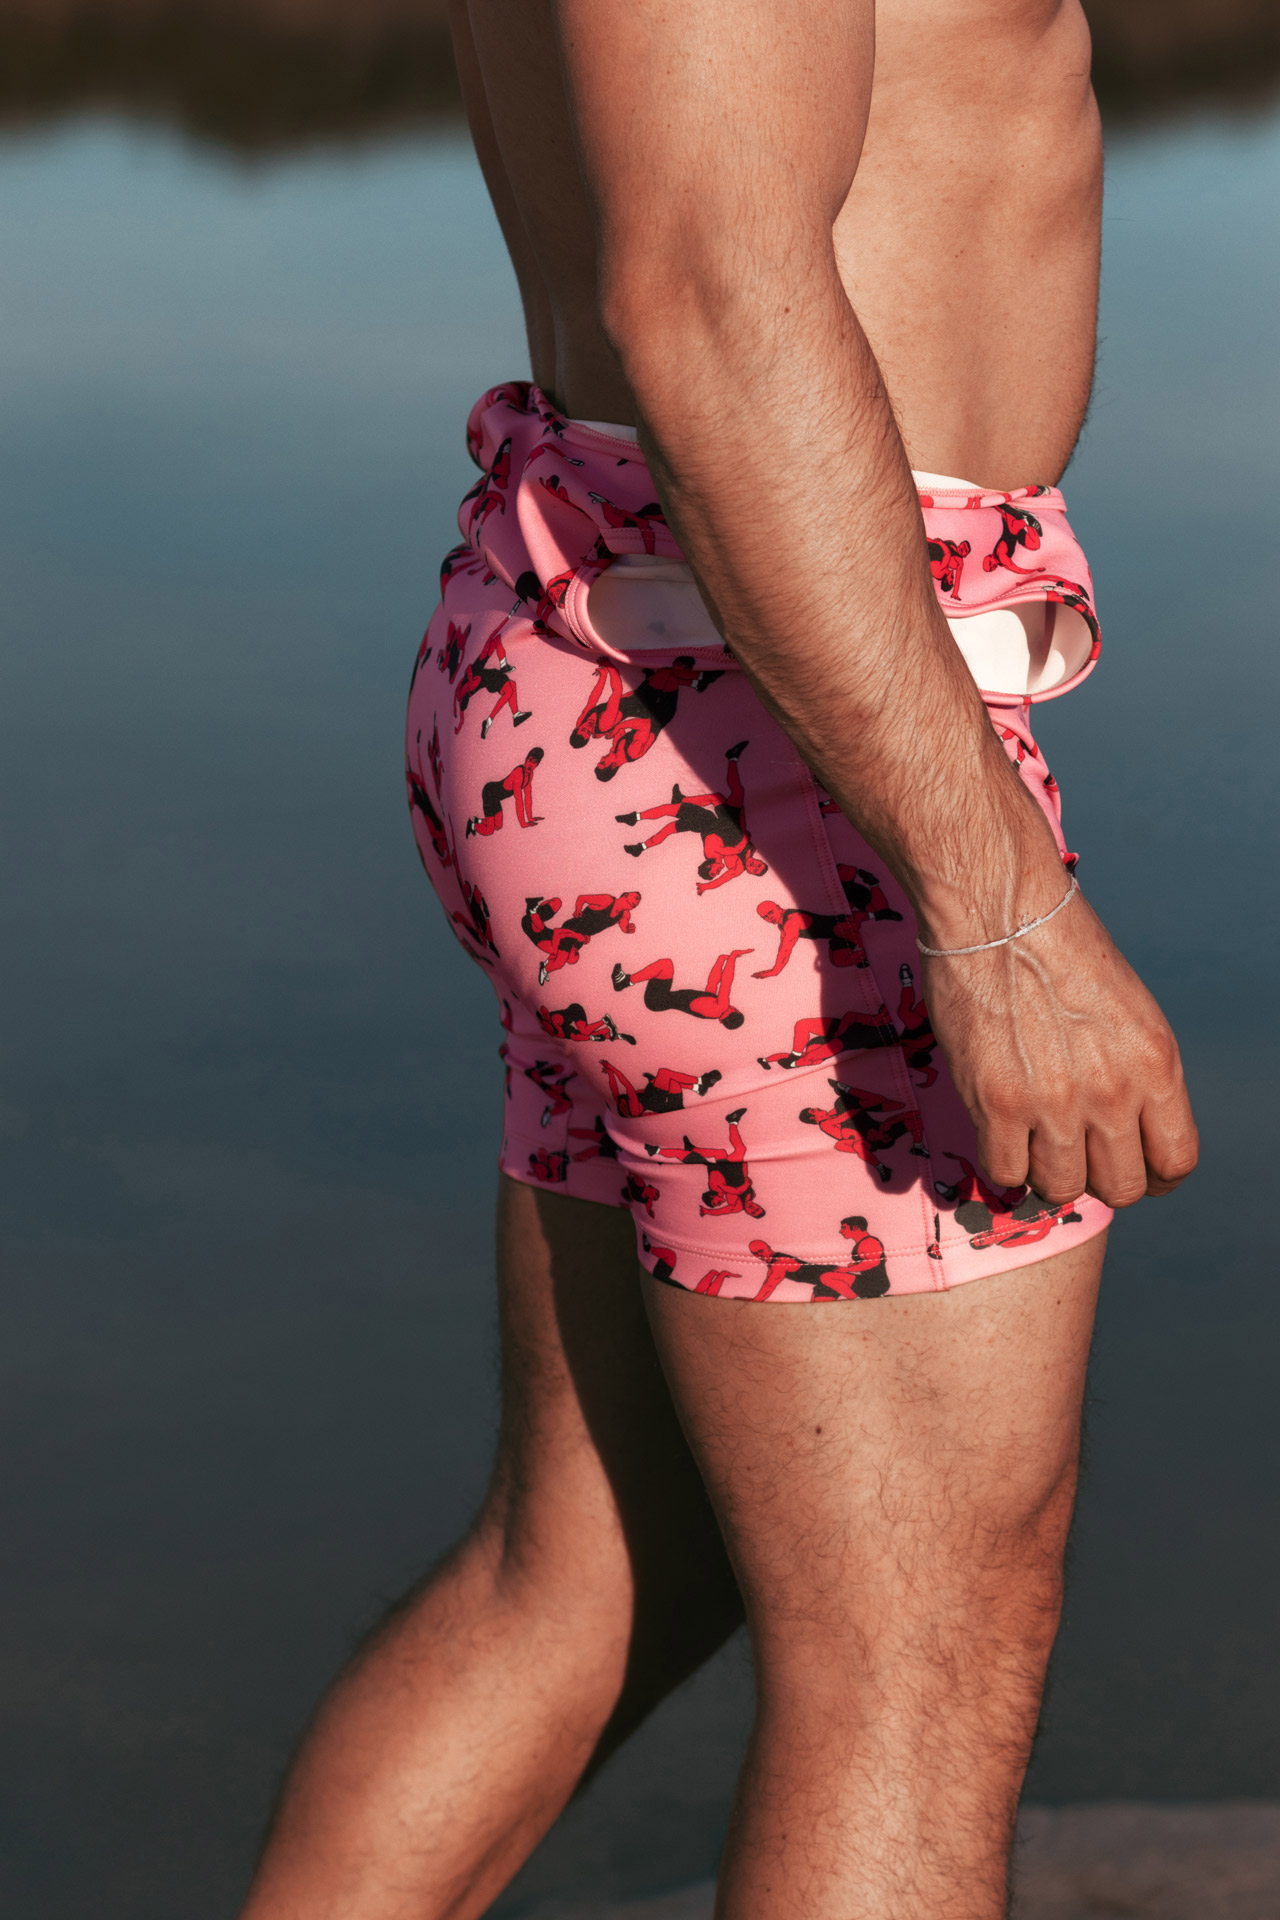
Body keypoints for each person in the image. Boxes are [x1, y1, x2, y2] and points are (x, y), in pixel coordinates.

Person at [239, 3, 1199, 1916]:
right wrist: (998, 912)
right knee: (915, 1663)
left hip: (667, 676)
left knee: (596, 1578)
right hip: (786, 732)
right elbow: (706, 295)